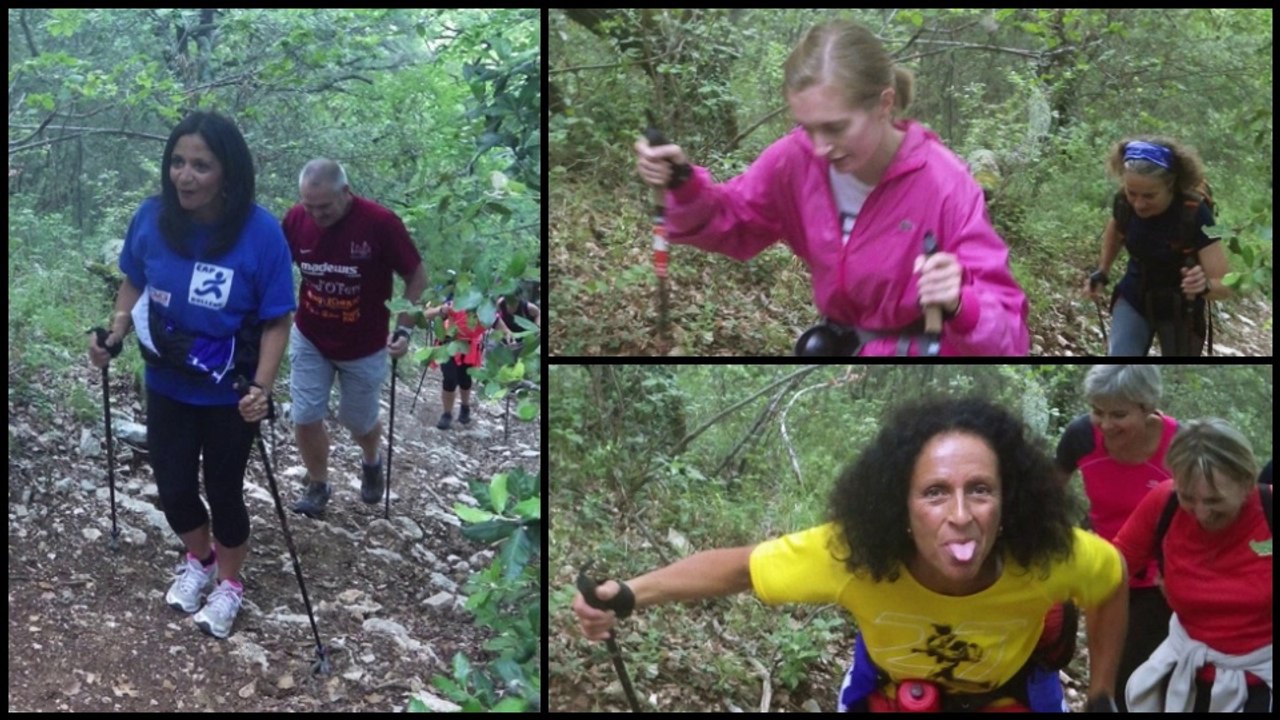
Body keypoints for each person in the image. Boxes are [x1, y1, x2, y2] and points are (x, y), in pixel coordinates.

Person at [574, 398, 1127, 711]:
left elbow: (1112, 581)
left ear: (1008, 501)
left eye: (979, 489)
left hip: (1012, 694)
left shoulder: (1049, 555)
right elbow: (741, 568)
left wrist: (1101, 688)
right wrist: (627, 595)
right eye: (934, 492)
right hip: (891, 691)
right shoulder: (854, 555)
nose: (960, 513)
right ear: (901, 507)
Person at [634, 20, 1028, 356]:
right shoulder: (794, 160)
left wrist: (962, 304)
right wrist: (683, 183)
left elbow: (1010, 337)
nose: (820, 147)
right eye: (808, 127)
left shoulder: (946, 186)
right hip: (839, 344)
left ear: (884, 104)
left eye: (836, 127)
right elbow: (733, 221)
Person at [88, 111, 295, 639]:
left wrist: (262, 387)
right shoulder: (153, 219)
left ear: (228, 172)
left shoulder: (261, 232)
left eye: (201, 165)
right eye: (178, 162)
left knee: (224, 490)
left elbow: (276, 319)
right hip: (167, 383)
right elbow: (133, 283)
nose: (185, 175)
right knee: (174, 487)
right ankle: (198, 559)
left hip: (229, 390)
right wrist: (114, 334)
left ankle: (230, 585)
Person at [282, 159, 427, 516]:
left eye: (325, 207)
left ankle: (371, 459)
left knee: (356, 418)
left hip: (364, 344)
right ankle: (318, 484)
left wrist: (405, 327)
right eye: (309, 205)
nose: (316, 214)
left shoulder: (380, 223)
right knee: (305, 414)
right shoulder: (295, 220)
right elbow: (275, 267)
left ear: (346, 194)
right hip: (311, 335)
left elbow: (417, 276)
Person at [1113, 419, 1272, 712]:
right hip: (1184, 674)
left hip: (1262, 683)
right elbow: (1110, 570)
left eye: (1215, 501)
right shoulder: (1165, 503)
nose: (1201, 513)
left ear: (1246, 483)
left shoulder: (1268, 513)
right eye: (1188, 497)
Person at [1054, 365, 1176, 710]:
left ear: (1147, 407)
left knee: (1136, 677)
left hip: (1159, 581)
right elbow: (1046, 496)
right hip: (1104, 576)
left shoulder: (1176, 446)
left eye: (1119, 414)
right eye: (1098, 412)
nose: (1106, 425)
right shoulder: (1081, 436)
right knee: (1104, 679)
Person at [1084, 137, 1230, 356]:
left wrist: (1205, 286)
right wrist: (1103, 270)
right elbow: (1114, 231)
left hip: (1182, 308)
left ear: (1171, 186)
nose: (1139, 204)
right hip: (1135, 295)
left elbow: (1227, 284)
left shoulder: (1197, 213)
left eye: (1149, 196)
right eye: (1132, 193)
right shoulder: (1124, 202)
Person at [421, 294, 486, 429]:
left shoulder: (483, 305)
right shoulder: (454, 302)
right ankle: (447, 414)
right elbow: (426, 314)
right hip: (448, 345)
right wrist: (441, 310)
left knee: (465, 378)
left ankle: (465, 407)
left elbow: (496, 321)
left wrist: (508, 333)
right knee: (450, 379)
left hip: (469, 346)